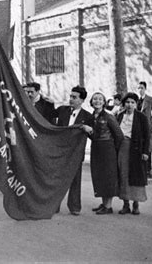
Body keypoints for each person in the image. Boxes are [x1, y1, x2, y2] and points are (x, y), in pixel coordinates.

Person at [53, 86, 93, 215]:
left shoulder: (87, 116)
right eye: (70, 96)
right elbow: (47, 115)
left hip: (75, 153)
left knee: (75, 180)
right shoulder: (62, 110)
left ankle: (74, 207)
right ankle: (54, 205)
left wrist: (89, 129)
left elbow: (93, 135)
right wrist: (46, 102)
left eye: (74, 97)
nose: (71, 99)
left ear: (81, 100)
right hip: (60, 151)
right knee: (57, 178)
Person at [85, 92, 124, 215]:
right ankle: (104, 203)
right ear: (91, 102)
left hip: (108, 149)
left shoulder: (108, 116)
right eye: (95, 99)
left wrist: (113, 149)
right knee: (99, 175)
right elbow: (92, 134)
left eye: (100, 99)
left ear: (104, 102)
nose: (97, 101)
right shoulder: (92, 117)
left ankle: (108, 206)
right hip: (96, 148)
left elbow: (119, 135)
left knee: (108, 177)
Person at [116, 93, 151, 215]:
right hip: (122, 148)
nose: (129, 105)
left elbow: (147, 136)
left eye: (132, 102)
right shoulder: (120, 116)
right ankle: (125, 204)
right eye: (127, 102)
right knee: (123, 175)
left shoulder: (141, 117)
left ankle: (136, 204)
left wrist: (145, 152)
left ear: (136, 104)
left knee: (136, 176)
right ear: (124, 103)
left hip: (136, 149)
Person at [137, 81, 152, 175]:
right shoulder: (136, 100)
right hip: (137, 127)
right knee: (138, 147)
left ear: (145, 89)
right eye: (139, 88)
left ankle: (148, 169)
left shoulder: (150, 99)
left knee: (148, 148)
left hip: (147, 126)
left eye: (142, 88)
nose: (140, 90)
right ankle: (140, 169)